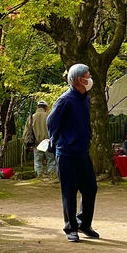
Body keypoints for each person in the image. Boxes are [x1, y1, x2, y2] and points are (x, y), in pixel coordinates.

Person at [47, 63, 98, 243]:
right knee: (69, 192)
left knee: (90, 188)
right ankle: (71, 228)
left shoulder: (85, 98)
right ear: (78, 80)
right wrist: (57, 142)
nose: (90, 78)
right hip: (67, 153)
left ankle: (84, 223)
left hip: (82, 152)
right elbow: (51, 122)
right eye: (88, 75)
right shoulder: (65, 100)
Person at [23, 100, 56, 176]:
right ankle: (51, 176)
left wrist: (26, 144)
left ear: (37, 107)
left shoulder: (31, 118)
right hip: (48, 142)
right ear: (45, 107)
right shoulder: (49, 116)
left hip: (36, 143)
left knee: (37, 162)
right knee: (51, 161)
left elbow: (26, 133)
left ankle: (38, 177)